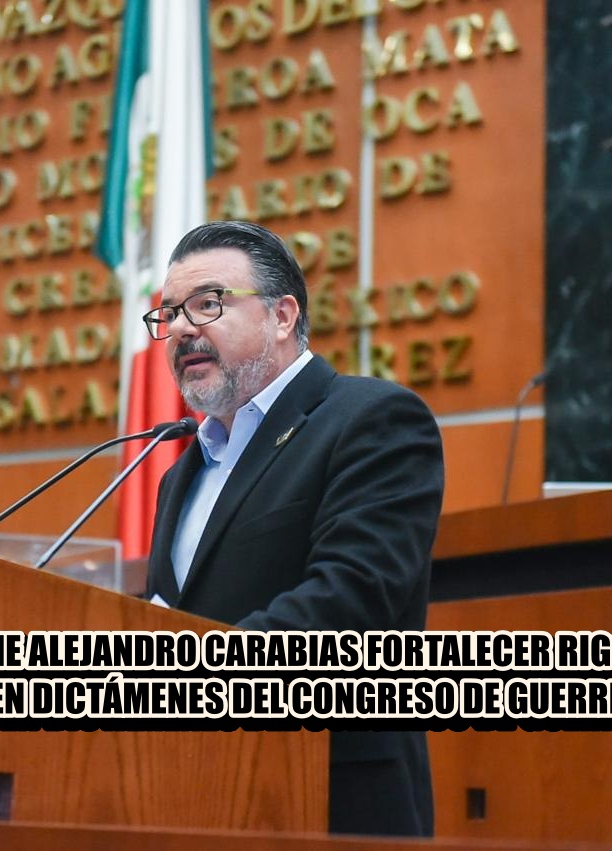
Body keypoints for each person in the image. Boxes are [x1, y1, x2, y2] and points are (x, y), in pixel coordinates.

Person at [143, 220, 444, 837]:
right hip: (196, 796)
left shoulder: (372, 419)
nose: (182, 329)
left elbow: (351, 600)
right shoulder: (180, 472)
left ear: (282, 316)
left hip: (330, 795)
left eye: (207, 304)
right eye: (170, 314)